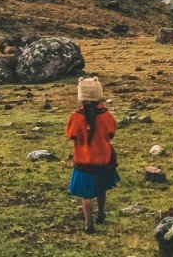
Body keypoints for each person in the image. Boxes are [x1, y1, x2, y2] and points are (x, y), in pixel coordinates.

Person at [66, 76, 120, 233]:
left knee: (86, 194)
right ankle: (101, 213)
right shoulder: (106, 116)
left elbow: (70, 135)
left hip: (83, 162)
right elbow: (111, 133)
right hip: (103, 160)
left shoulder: (76, 117)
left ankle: (89, 222)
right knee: (101, 188)